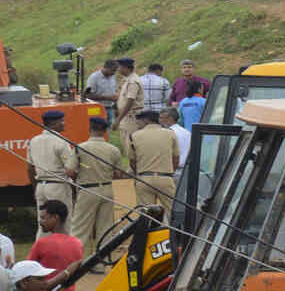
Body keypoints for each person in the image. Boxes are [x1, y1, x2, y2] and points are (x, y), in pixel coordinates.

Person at [69, 116, 124, 258]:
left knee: (80, 228)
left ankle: (72, 261)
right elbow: (118, 174)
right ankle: (101, 263)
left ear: (90, 129)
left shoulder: (80, 147)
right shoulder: (113, 149)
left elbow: (69, 171)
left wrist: (78, 179)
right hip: (107, 190)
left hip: (87, 189)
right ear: (105, 130)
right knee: (105, 230)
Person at [26, 111, 77, 239]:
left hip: (41, 187)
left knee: (43, 224)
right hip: (58, 187)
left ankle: (39, 255)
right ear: (54, 123)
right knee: (63, 224)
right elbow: (69, 169)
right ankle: (65, 254)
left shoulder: (34, 141)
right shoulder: (61, 141)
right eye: (62, 121)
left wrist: (35, 187)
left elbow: (30, 168)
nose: (64, 124)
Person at [127, 109, 179, 220]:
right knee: (172, 214)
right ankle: (176, 237)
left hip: (144, 178)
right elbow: (176, 158)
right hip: (165, 178)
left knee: (146, 216)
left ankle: (150, 236)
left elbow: (132, 161)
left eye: (139, 121)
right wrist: (169, 173)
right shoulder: (170, 133)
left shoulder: (134, 135)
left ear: (146, 120)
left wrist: (140, 173)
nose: (138, 124)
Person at [28, 201, 83, 291]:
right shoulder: (77, 243)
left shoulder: (41, 243)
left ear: (55, 218)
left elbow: (27, 272)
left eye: (43, 218)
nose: (40, 221)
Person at [112, 57, 143, 143]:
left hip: (131, 117)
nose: (118, 69)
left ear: (126, 68)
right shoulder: (127, 79)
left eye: (120, 67)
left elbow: (130, 102)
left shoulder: (133, 82)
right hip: (126, 116)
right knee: (126, 142)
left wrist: (118, 119)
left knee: (130, 143)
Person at [84, 59, 118, 124]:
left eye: (115, 71)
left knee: (108, 130)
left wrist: (116, 107)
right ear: (106, 68)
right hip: (97, 109)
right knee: (98, 128)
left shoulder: (112, 77)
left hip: (110, 108)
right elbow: (88, 96)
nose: (114, 73)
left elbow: (114, 92)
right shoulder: (94, 78)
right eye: (113, 70)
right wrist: (107, 97)